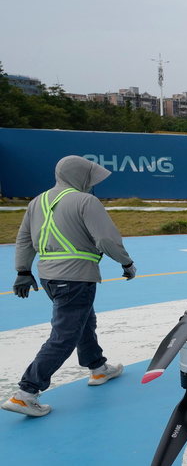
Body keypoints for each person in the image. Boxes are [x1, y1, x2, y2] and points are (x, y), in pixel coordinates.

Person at [3, 156, 136, 418]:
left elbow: (24, 240)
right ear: (80, 177)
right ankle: (26, 393)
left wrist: (22, 271)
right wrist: (126, 262)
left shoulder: (37, 201)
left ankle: (97, 368)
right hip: (76, 277)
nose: (92, 184)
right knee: (64, 335)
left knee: (83, 321)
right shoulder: (86, 201)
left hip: (49, 277)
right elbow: (107, 239)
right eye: (90, 178)